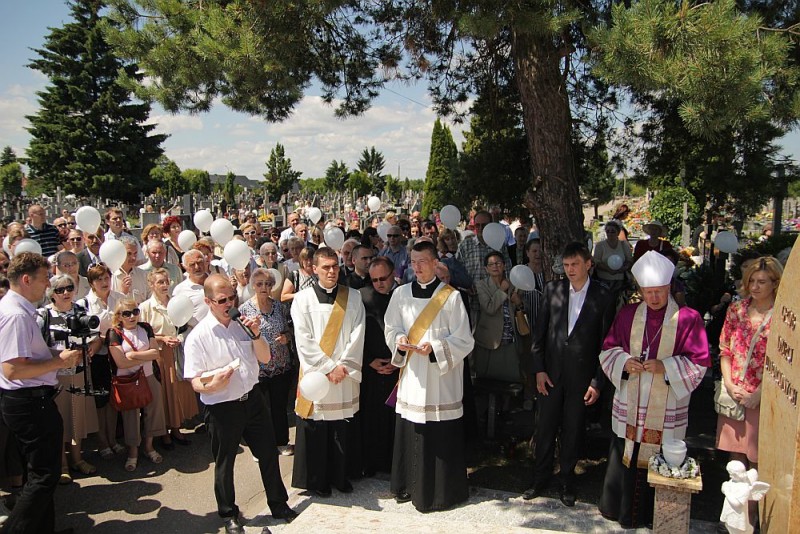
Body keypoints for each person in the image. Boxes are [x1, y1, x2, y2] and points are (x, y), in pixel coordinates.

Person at [598, 251, 711, 529]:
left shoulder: (688, 318)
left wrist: (667, 367)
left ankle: (655, 516)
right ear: (641, 290)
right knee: (626, 449)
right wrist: (625, 362)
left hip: (665, 404)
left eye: (659, 292)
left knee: (659, 455)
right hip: (632, 401)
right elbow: (608, 350)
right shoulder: (627, 315)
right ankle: (619, 511)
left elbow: (700, 360)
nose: (654, 298)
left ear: (669, 288)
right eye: (648, 292)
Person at [184, 274, 297, 534]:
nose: (229, 304)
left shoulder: (243, 324)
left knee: (268, 453)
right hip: (222, 407)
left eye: (232, 297)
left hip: (253, 399)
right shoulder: (198, 336)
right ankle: (229, 515)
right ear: (208, 301)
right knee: (225, 463)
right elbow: (195, 382)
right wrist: (212, 385)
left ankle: (278, 504)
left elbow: (265, 357)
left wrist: (257, 334)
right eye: (222, 300)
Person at [384, 240, 475, 512]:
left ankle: (443, 492)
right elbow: (391, 327)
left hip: (440, 379)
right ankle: (408, 486)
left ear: (436, 263)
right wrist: (399, 339)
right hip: (413, 376)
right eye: (413, 261)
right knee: (413, 429)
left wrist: (435, 347)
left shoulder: (451, 296)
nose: (418, 267)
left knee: (440, 434)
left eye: (423, 261)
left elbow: (464, 340)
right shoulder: (400, 295)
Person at [523, 242, 616, 507]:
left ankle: (567, 479)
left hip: (582, 376)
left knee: (573, 429)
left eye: (575, 264)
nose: (570, 270)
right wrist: (539, 369)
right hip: (551, 374)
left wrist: (598, 380)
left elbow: (607, 343)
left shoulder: (603, 295)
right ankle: (540, 477)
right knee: (545, 427)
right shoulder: (553, 290)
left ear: (588, 264)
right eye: (566, 265)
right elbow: (538, 334)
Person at [0, 252, 82, 533]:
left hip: (32, 400)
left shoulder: (19, 311)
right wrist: (59, 361)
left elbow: (27, 355)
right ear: (26, 279)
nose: (48, 285)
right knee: (44, 477)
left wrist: (56, 354)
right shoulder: (15, 316)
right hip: (29, 403)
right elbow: (12, 369)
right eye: (45, 278)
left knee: (40, 474)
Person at [290, 248, 364, 497]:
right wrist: (329, 368)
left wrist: (342, 366)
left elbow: (358, 334)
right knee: (318, 428)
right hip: (318, 376)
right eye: (325, 267)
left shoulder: (353, 297)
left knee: (341, 428)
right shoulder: (301, 300)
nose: (331, 271)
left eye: (334, 266)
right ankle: (319, 480)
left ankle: (340, 477)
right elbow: (303, 339)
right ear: (314, 268)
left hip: (343, 374)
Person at [716, 257, 782, 468]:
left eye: (761, 282)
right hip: (735, 391)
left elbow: (783, 361)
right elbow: (725, 349)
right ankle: (736, 501)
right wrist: (729, 384)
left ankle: (753, 503)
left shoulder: (782, 316)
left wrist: (760, 394)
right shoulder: (737, 309)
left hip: (763, 394)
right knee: (735, 460)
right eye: (751, 281)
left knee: (757, 459)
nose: (754, 287)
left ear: (775, 282)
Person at [39, 273, 103, 484]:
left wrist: (91, 349)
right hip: (55, 378)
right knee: (59, 422)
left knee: (77, 419)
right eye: (60, 290)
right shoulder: (43, 315)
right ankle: (62, 466)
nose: (66, 293)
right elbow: (36, 349)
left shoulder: (81, 310)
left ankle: (77, 459)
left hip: (80, 374)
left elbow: (96, 338)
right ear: (52, 294)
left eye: (69, 288)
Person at [140, 268, 198, 448]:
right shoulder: (145, 307)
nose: (165, 285)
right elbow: (142, 333)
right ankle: (163, 432)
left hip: (176, 353)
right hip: (158, 355)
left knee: (177, 391)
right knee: (163, 392)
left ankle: (176, 429)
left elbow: (188, 325)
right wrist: (162, 338)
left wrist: (179, 338)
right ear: (151, 285)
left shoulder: (176, 302)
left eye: (166, 281)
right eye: (160, 282)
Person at [239, 269, 295, 456]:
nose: (264, 287)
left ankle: (281, 442)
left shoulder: (279, 307)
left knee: (279, 407)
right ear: (253, 286)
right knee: (260, 410)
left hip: (281, 365)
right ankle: (260, 448)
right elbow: (241, 339)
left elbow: (289, 330)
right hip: (258, 368)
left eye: (268, 284)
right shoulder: (245, 310)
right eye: (260, 284)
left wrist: (286, 338)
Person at [108, 299, 167, 471]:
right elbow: (121, 363)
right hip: (128, 380)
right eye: (126, 313)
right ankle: (133, 451)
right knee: (131, 416)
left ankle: (149, 446)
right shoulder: (115, 333)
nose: (132, 316)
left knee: (154, 412)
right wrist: (142, 355)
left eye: (135, 311)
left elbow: (155, 353)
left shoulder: (146, 328)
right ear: (119, 316)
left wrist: (133, 355)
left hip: (149, 376)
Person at [80, 263, 125, 460]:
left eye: (106, 278)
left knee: (114, 399)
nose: (104, 282)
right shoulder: (84, 304)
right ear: (91, 283)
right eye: (99, 279)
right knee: (100, 400)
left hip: (117, 354)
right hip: (97, 357)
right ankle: (102, 441)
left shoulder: (120, 299)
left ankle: (113, 439)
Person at [358, 256, 398, 476]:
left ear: (393, 275)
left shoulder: (403, 296)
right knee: (371, 418)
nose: (379, 283)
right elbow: (353, 335)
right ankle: (371, 463)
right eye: (374, 280)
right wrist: (368, 360)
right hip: (371, 368)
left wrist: (397, 360)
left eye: (384, 278)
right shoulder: (361, 297)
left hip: (397, 366)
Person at [473, 251, 523, 382]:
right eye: (491, 264)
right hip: (491, 339)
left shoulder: (513, 284)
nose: (495, 266)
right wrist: (501, 290)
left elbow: (521, 309)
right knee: (490, 380)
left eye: (498, 263)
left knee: (511, 379)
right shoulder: (481, 285)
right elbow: (489, 308)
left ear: (504, 266)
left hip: (510, 338)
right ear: (486, 269)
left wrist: (518, 303)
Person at [592, 219, 633, 303]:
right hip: (603, 281)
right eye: (608, 231)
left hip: (620, 283)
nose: (610, 233)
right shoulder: (600, 245)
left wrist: (623, 268)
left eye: (613, 231)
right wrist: (608, 269)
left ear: (618, 233)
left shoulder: (624, 245)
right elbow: (596, 261)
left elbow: (629, 260)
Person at [173, 250, 209, 328]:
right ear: (184, 267)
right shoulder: (180, 290)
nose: (197, 267)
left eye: (200, 262)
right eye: (192, 264)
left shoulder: (217, 281)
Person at [111, 236, 150, 304]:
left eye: (135, 253)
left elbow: (150, 301)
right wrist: (122, 293)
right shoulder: (110, 276)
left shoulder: (144, 275)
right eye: (129, 253)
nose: (133, 257)